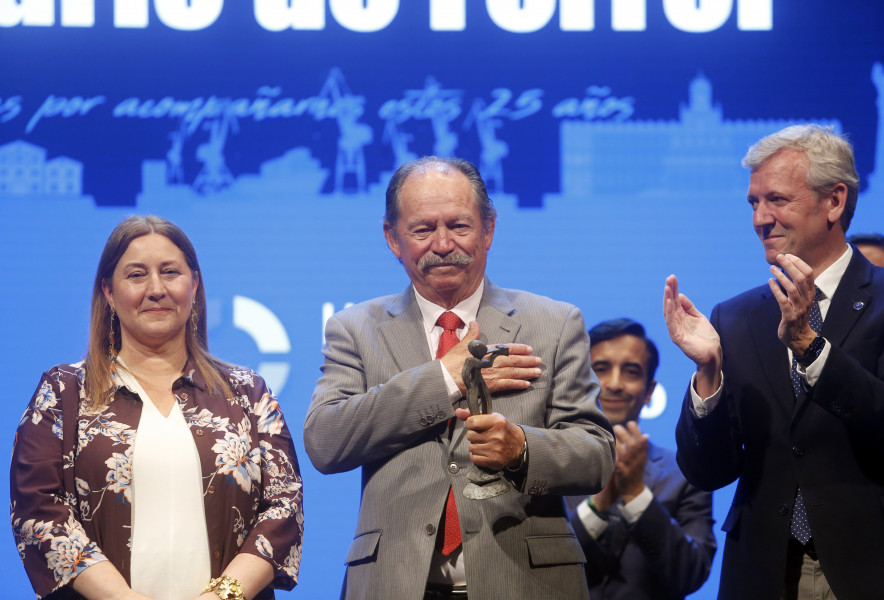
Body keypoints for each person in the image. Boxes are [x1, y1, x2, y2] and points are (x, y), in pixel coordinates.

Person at [304, 156, 615, 600]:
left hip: (525, 582)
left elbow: (597, 454)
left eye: (460, 226)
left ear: (489, 228)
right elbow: (325, 440)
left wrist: (522, 449)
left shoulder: (554, 323)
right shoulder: (355, 328)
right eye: (423, 229)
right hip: (396, 583)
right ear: (393, 237)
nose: (444, 243)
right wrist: (443, 377)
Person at [663, 124, 884, 599]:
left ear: (834, 201)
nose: (760, 219)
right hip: (763, 570)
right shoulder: (736, 316)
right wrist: (708, 376)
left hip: (872, 565)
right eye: (754, 202)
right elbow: (709, 473)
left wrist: (811, 347)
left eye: (777, 200)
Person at [11, 216, 304, 600]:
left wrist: (224, 595)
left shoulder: (248, 392)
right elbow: (38, 507)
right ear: (109, 292)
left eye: (170, 272)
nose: (156, 289)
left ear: (194, 285)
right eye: (136, 275)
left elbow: (284, 506)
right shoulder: (63, 392)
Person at [566, 318, 715, 599]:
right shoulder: (550, 464)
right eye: (601, 369)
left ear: (648, 391)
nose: (614, 384)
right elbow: (537, 562)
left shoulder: (685, 473)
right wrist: (598, 506)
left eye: (631, 372)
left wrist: (636, 493)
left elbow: (692, 573)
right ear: (581, 381)